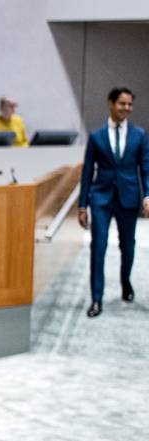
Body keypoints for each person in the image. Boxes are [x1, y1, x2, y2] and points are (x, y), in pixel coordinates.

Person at [78, 86, 149, 317]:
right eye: (122, 103)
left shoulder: (139, 135)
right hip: (101, 198)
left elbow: (146, 169)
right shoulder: (96, 137)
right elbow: (87, 172)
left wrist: (147, 194)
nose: (126, 108)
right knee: (98, 247)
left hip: (128, 198)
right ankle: (96, 299)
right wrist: (82, 205)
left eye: (130, 104)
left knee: (128, 246)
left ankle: (125, 281)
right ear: (110, 103)